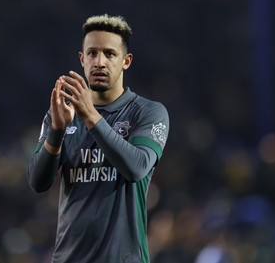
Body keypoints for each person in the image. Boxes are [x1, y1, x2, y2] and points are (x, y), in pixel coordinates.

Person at [27, 14, 169, 263]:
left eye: (110, 54)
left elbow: (135, 168)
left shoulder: (148, 112)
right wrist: (57, 131)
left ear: (126, 61)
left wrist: (90, 115)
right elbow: (38, 182)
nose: (99, 62)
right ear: (82, 59)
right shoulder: (61, 114)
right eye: (92, 53)